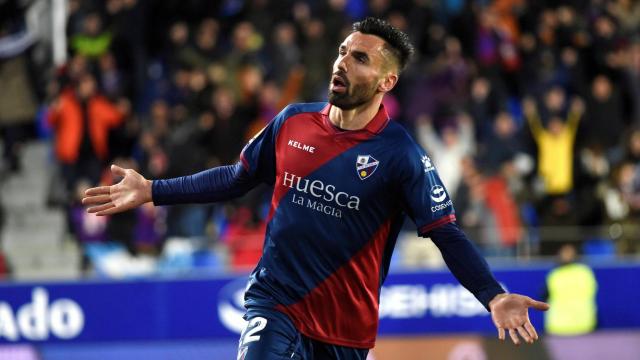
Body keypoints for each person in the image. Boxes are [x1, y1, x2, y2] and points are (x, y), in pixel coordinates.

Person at [83, 18, 549, 360]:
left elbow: (446, 233)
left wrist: (493, 294)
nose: (342, 62)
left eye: (360, 58)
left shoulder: (400, 156)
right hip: (275, 300)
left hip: (345, 330)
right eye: (344, 51)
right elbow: (237, 177)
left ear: (387, 81)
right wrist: (153, 190)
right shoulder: (292, 121)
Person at [543, 243, 597, 335]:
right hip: (584, 325)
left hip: (559, 327)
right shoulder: (585, 272)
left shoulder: (555, 275)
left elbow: (543, 297)